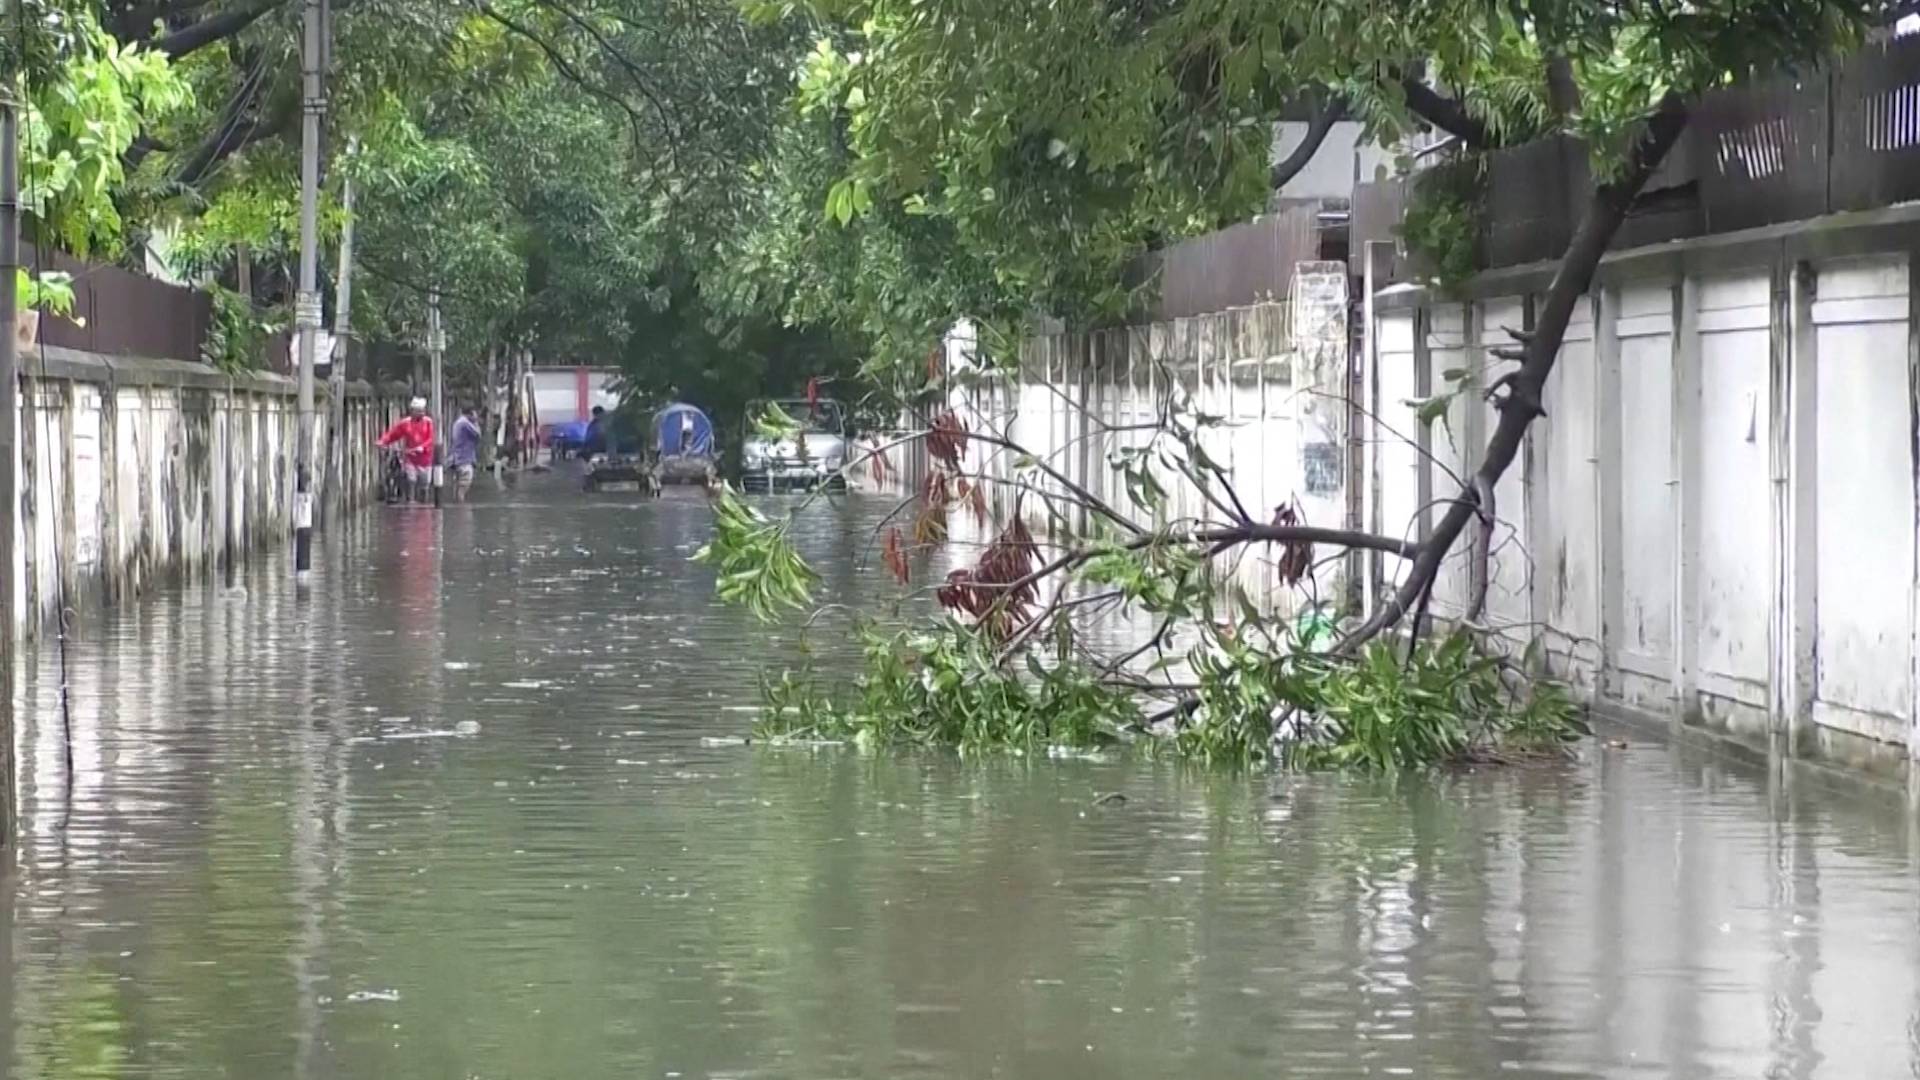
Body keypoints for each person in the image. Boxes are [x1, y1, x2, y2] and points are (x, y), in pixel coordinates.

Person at [377, 397, 436, 502]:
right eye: (418, 411)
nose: (421, 413)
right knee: (411, 480)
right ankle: (411, 501)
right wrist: (383, 441)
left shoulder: (428, 422)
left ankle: (423, 502)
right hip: (410, 457)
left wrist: (422, 447)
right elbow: (393, 434)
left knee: (424, 483)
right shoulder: (405, 423)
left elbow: (431, 439)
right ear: (412, 411)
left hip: (425, 459)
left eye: (422, 411)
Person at [451, 405, 482, 501]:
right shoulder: (465, 423)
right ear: (471, 413)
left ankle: (457, 507)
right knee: (464, 485)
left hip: (458, 458)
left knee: (458, 485)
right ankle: (461, 509)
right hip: (464, 459)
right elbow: (478, 435)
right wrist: (476, 422)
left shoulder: (458, 422)